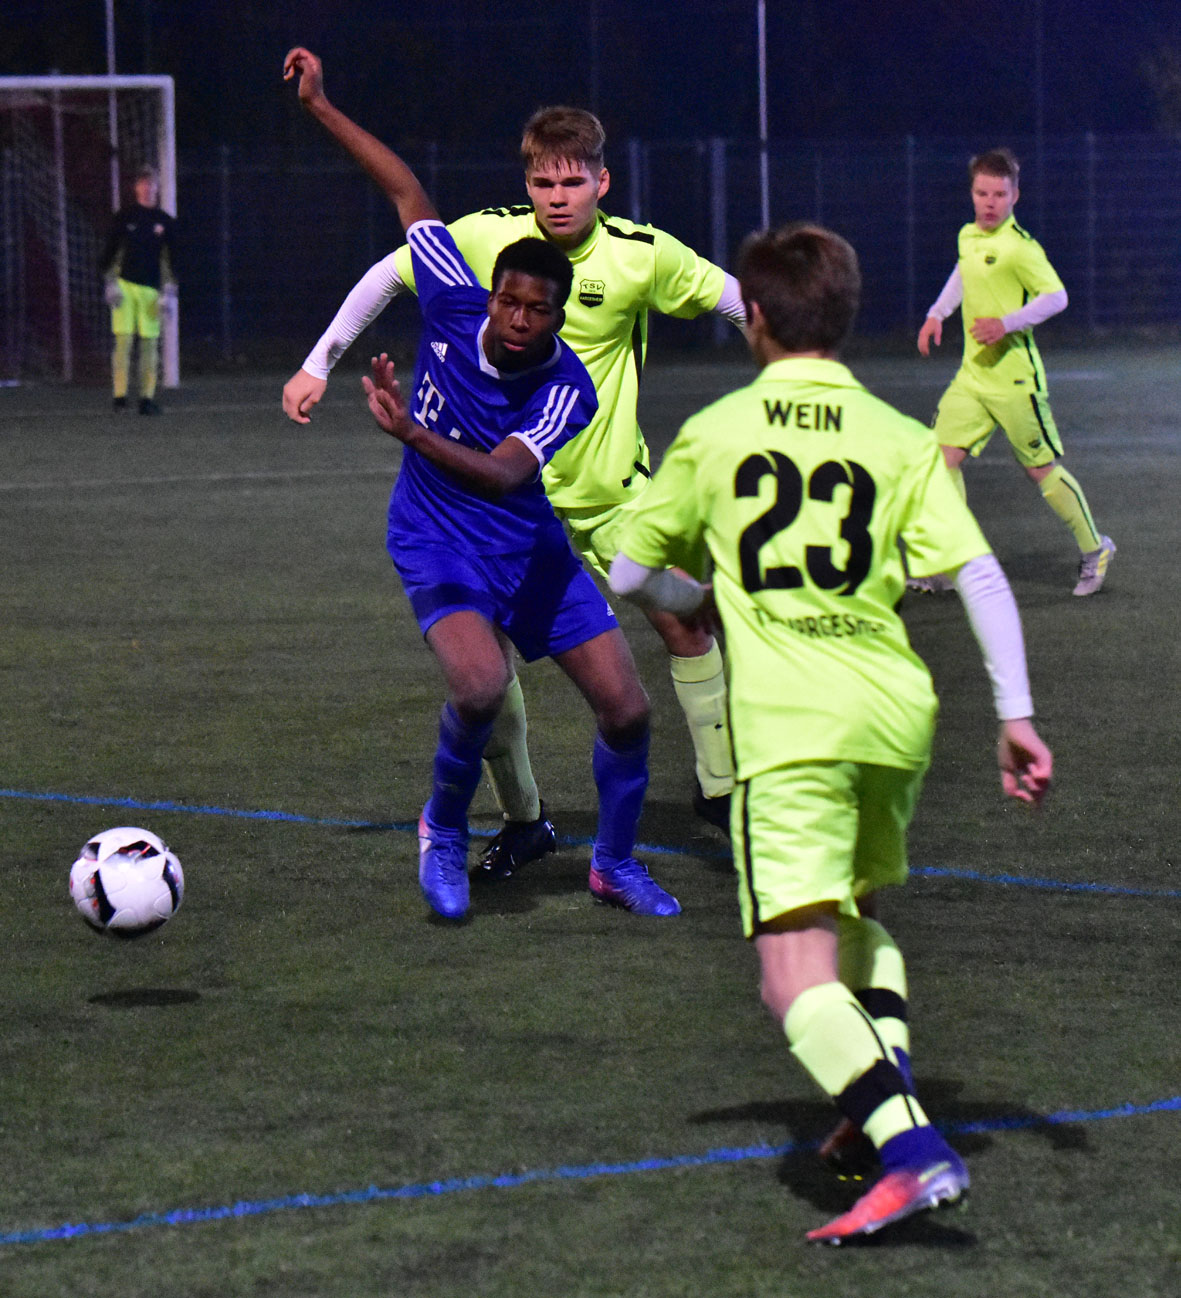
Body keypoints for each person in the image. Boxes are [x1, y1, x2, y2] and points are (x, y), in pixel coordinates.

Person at [608, 222, 1053, 1242]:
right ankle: (876, 1098)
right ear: (844, 317)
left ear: (754, 318)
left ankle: (909, 1148)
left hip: (791, 726)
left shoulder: (717, 432)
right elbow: (978, 574)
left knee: (788, 976)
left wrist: (698, 598)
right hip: (892, 715)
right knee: (853, 918)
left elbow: (630, 573)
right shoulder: (896, 436)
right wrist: (1015, 716)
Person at [282, 74, 746, 878]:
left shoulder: (642, 254)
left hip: (607, 497)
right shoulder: (485, 237)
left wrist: (792, 366)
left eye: (573, 182)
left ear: (602, 181)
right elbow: (393, 268)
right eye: (543, 182)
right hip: (497, 511)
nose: (557, 198)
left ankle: (721, 789)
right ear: (525, 182)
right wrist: (319, 363)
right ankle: (524, 819)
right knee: (486, 671)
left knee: (684, 621)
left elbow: (733, 300)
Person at [914, 147, 1114, 597]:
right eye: (982, 193)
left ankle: (1095, 548)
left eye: (999, 194)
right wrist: (936, 314)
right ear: (972, 193)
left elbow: (1056, 297)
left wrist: (1006, 323)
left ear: (1015, 196)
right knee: (939, 462)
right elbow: (963, 273)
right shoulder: (968, 236)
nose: (990, 203)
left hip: (1015, 381)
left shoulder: (1021, 247)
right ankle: (952, 563)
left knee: (1040, 470)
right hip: (972, 377)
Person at [98, 165, 177, 415]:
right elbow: (110, 250)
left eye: (151, 183)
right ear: (136, 187)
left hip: (151, 291)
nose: (147, 188)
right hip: (125, 287)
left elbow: (172, 258)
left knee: (149, 345)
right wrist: (110, 282)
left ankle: (146, 399)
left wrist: (169, 291)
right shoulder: (125, 217)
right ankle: (120, 398)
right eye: (143, 183)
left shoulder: (165, 221)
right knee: (123, 343)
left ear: (157, 187)